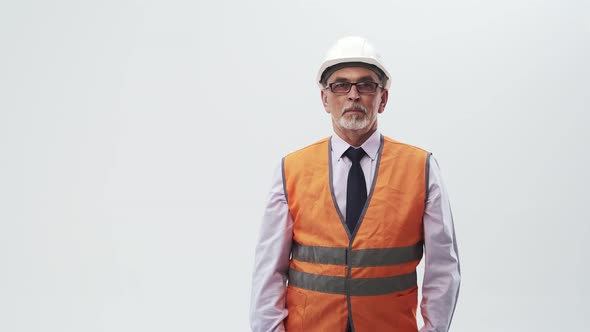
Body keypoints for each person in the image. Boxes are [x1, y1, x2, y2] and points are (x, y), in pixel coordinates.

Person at [250, 36, 461, 332]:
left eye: (365, 85)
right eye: (340, 85)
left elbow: (443, 268)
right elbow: (268, 270)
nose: (353, 95)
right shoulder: (291, 169)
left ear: (382, 98)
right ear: (325, 98)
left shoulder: (420, 167)